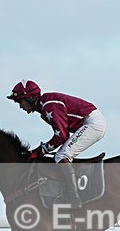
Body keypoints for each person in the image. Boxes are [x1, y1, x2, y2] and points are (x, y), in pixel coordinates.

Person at [7, 79, 106, 208]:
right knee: (63, 154)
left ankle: (74, 198)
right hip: (89, 122)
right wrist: (39, 151)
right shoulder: (45, 106)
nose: (20, 106)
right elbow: (64, 135)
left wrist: (39, 152)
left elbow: (61, 136)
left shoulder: (49, 105)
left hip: (92, 124)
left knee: (61, 155)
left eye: (21, 101)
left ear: (30, 97)